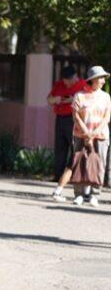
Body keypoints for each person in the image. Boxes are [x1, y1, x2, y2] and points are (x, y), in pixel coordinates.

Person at [68, 66, 110, 206]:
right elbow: (76, 116)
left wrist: (94, 134)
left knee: (99, 164)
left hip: (101, 135)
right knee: (79, 163)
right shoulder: (79, 95)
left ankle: (94, 194)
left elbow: (106, 118)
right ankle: (79, 194)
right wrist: (87, 133)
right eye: (101, 78)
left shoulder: (106, 97)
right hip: (81, 135)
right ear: (93, 80)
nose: (103, 81)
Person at [49, 65, 86, 197]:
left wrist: (73, 100)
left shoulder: (83, 85)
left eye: (68, 80)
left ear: (75, 77)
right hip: (60, 119)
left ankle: (74, 177)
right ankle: (58, 176)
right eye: (65, 80)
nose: (66, 83)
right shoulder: (59, 85)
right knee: (60, 148)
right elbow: (49, 99)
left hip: (74, 120)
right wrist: (57, 99)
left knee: (74, 148)